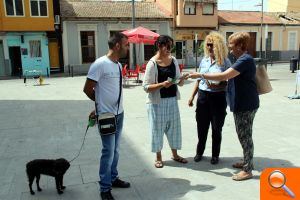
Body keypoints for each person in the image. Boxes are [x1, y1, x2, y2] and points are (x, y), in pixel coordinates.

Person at [188, 32, 259, 181]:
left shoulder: (244, 60)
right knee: (243, 135)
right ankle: (246, 161)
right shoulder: (242, 59)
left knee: (245, 137)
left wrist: (201, 75)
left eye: (232, 45)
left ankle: (248, 169)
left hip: (245, 104)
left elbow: (223, 76)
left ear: (240, 45)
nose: (230, 48)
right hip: (241, 102)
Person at [83, 32, 130, 200]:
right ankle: (104, 188)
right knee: (108, 151)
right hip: (106, 116)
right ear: (117, 45)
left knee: (116, 150)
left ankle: (113, 177)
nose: (128, 47)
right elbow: (88, 89)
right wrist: (99, 106)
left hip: (119, 114)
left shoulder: (117, 65)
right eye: (126, 44)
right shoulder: (100, 64)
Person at [143, 35, 188, 168]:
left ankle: (175, 154)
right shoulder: (152, 64)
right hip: (157, 103)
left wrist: (182, 79)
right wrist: (162, 84)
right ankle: (158, 157)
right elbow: (146, 87)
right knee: (157, 130)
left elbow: (179, 82)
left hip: (172, 100)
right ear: (159, 46)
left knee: (174, 128)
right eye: (167, 46)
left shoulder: (173, 60)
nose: (169, 49)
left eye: (171, 46)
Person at [188, 32, 231, 165]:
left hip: (218, 98)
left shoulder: (225, 61)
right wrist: (192, 97)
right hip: (203, 97)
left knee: (217, 128)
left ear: (218, 46)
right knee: (201, 127)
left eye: (212, 45)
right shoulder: (204, 60)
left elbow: (229, 81)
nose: (210, 48)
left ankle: (215, 155)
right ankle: (199, 152)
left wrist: (218, 84)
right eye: (208, 45)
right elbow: (198, 80)